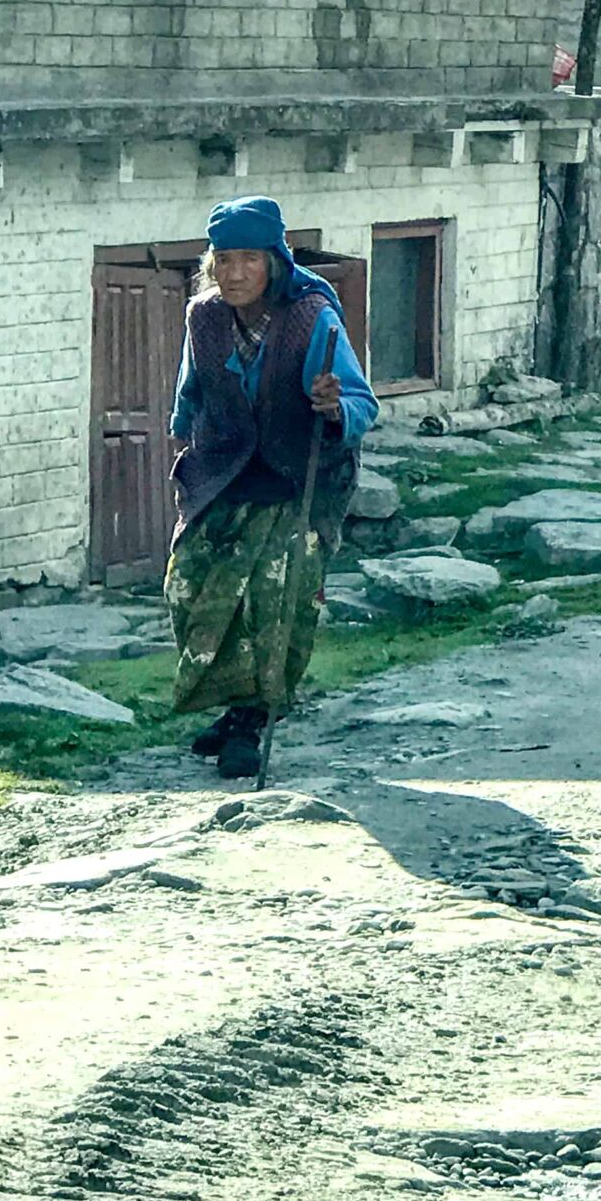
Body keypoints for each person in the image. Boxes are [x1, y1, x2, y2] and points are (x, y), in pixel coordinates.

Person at [165, 196, 377, 780]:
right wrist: (183, 438)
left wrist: (332, 406)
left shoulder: (313, 319)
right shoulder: (204, 317)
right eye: (224, 259)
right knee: (189, 587)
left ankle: (252, 721)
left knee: (275, 598)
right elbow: (192, 390)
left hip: (295, 477)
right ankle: (234, 705)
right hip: (225, 473)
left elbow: (361, 402)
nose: (234, 273)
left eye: (249, 260)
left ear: (274, 263)